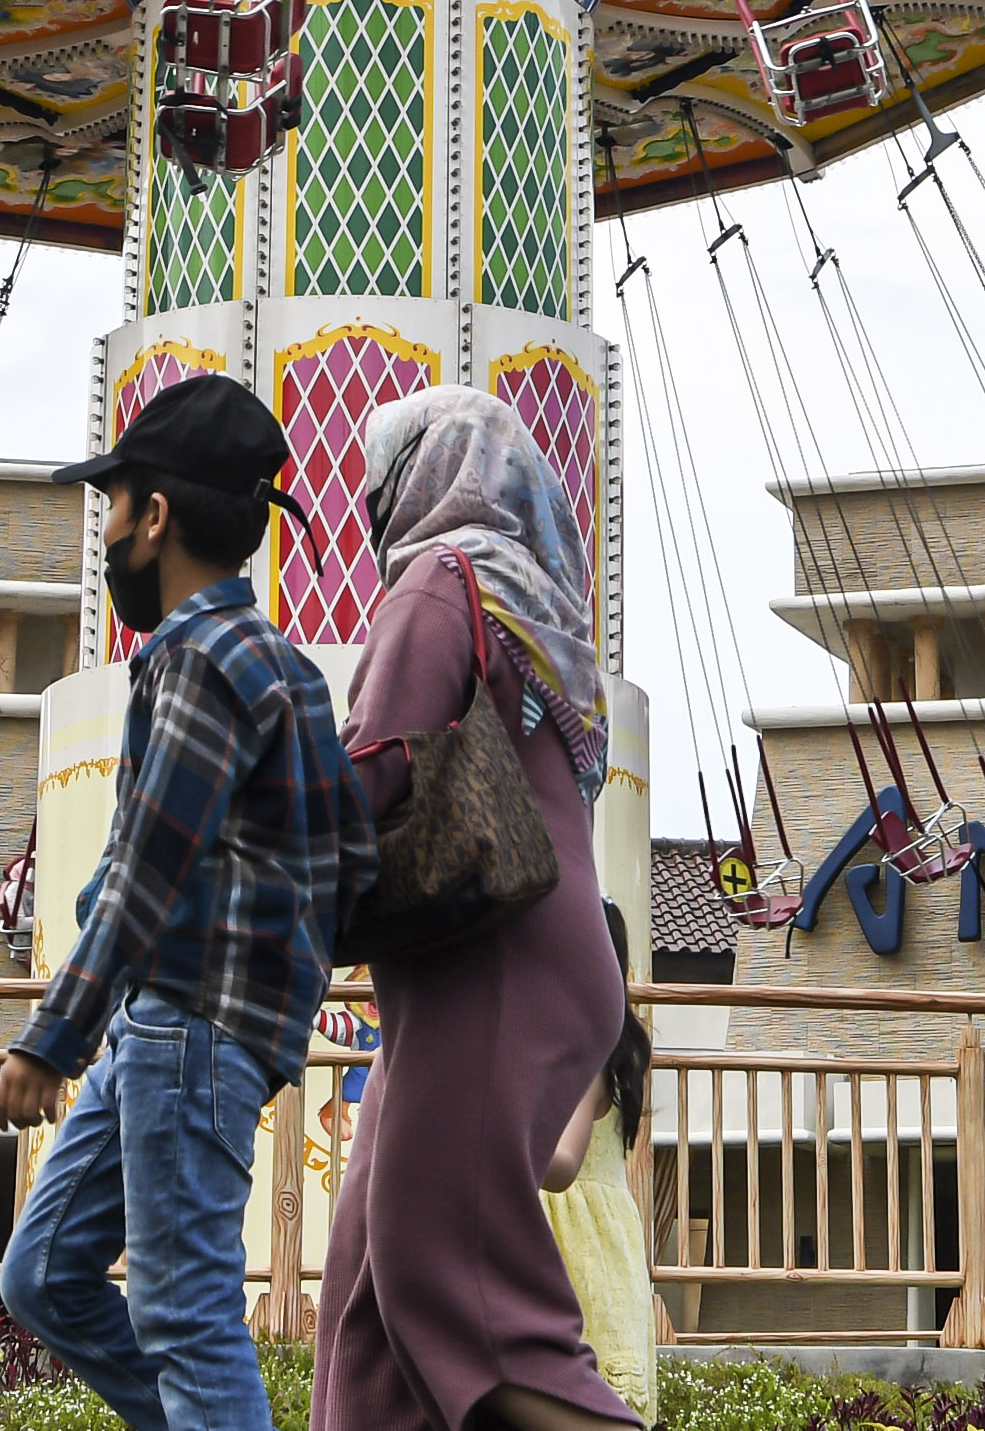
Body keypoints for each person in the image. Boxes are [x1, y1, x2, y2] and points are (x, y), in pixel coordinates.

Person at [0, 375, 369, 1431]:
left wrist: (50, 1040)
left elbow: (143, 873)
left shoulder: (197, 659)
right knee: (44, 1276)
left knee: (186, 1314)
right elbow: (350, 868)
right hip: (175, 1025)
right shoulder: (289, 670)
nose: (107, 532)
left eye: (112, 506)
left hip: (187, 1028)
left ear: (154, 517)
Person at [319, 386, 637, 1431]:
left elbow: (373, 766)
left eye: (379, 492)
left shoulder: (438, 580)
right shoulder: (542, 615)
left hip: (490, 966)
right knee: (371, 1293)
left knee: (443, 1272)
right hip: (541, 965)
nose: (376, 519)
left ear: (419, 478)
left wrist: (239, 849)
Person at [540, 902, 658, 1422]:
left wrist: (492, 1155)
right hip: (602, 1238)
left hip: (576, 1243)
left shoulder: (585, 1056)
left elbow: (564, 1162)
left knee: (573, 1393)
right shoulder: (603, 1049)